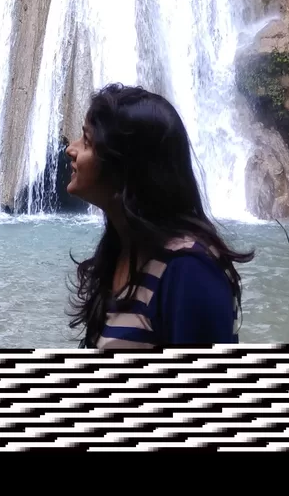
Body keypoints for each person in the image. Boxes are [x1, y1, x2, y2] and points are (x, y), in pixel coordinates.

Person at [66, 83, 251, 349]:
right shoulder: (121, 252)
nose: (71, 149)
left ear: (125, 168)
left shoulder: (189, 269)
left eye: (87, 141)